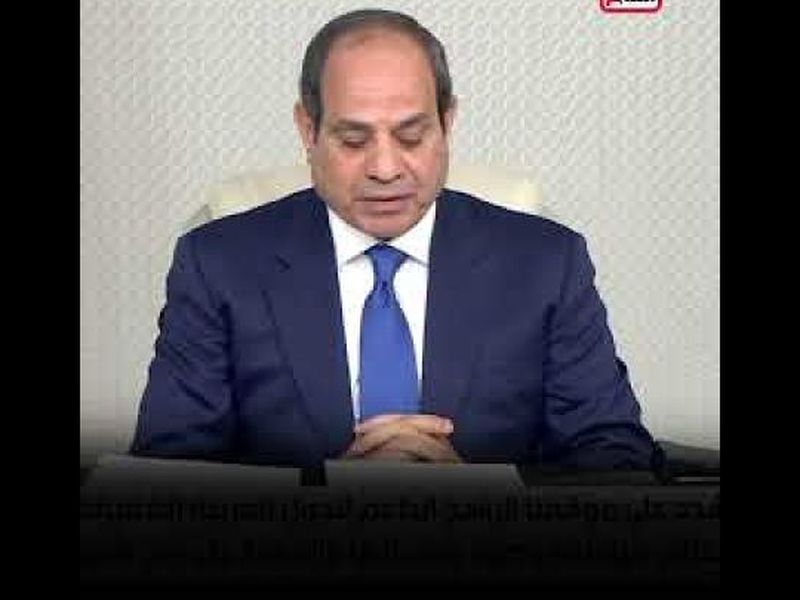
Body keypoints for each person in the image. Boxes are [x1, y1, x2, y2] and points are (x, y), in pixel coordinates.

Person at [130, 9, 659, 470]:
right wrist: (329, 496)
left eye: (411, 136)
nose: (385, 168)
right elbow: (169, 474)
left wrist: (479, 495)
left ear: (447, 123)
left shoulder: (546, 264)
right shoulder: (218, 264)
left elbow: (614, 462)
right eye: (353, 139)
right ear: (308, 130)